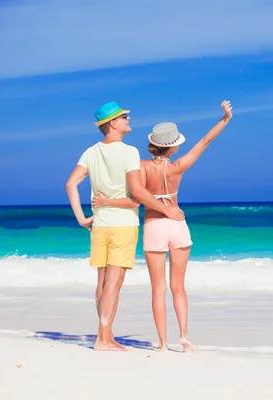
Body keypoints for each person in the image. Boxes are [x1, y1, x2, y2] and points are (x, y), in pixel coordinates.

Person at [93, 100, 233, 352]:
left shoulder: (141, 167)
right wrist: (225, 119)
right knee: (178, 286)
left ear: (153, 145)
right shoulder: (179, 167)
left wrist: (106, 201)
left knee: (158, 288)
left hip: (154, 227)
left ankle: (162, 343)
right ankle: (185, 338)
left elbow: (135, 197)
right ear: (174, 146)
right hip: (177, 224)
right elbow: (205, 142)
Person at [65, 101, 184, 352]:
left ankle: (105, 335)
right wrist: (167, 209)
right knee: (114, 283)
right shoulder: (129, 152)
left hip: (99, 224)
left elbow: (70, 184)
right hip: (122, 224)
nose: (128, 117)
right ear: (113, 124)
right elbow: (138, 191)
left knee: (103, 281)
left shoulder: (90, 152)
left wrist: (80, 217)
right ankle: (103, 338)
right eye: (123, 116)